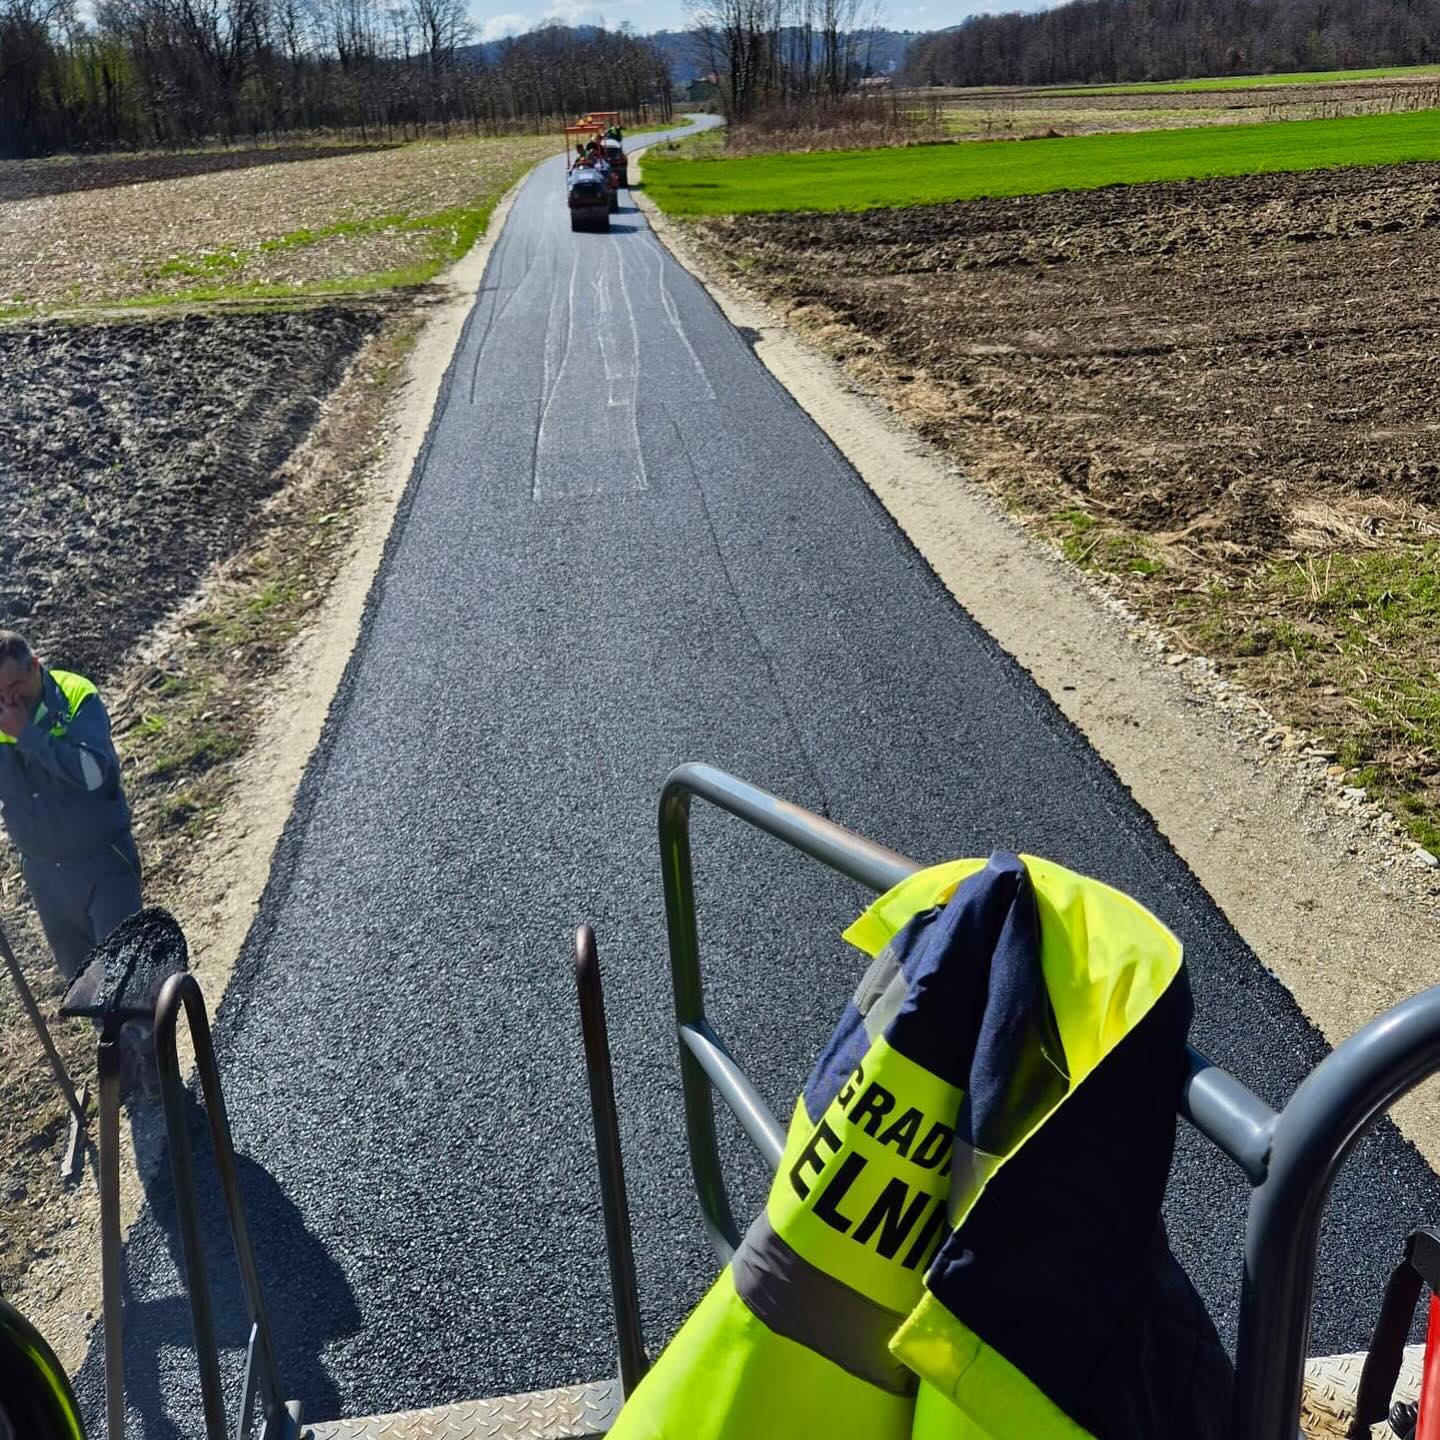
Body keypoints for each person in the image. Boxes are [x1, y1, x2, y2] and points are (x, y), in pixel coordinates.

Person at [0, 630, 153, 1095]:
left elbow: (93, 773)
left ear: (37, 666)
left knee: (123, 968)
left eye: (15, 689)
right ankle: (121, 1066)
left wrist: (28, 737)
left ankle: (156, 1063)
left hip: (103, 858)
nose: (8, 702)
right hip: (47, 874)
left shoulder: (75, 697)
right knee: (84, 980)